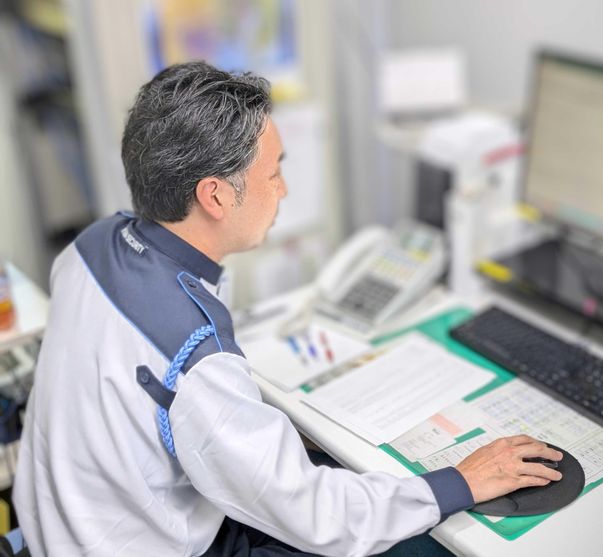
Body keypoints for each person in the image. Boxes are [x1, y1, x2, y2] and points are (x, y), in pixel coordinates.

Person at [12, 62, 563, 556]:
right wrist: (461, 482)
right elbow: (318, 517)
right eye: (273, 173)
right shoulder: (197, 358)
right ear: (215, 195)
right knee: (423, 545)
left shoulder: (90, 245)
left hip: (58, 527)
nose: (284, 190)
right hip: (145, 544)